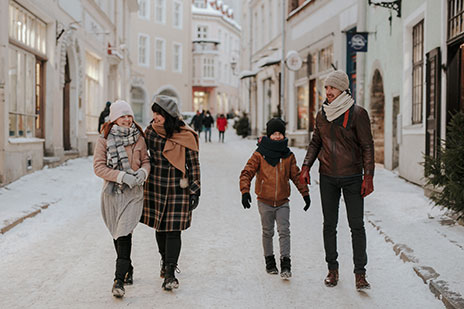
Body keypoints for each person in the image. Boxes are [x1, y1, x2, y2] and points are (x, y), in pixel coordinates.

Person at [299, 70, 374, 290]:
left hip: (352, 176)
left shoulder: (358, 113)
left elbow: (368, 146)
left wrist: (368, 176)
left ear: (342, 88)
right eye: (326, 88)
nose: (328, 91)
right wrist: (306, 165)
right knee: (329, 225)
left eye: (332, 87)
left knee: (356, 226)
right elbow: (316, 142)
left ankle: (360, 274)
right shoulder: (322, 114)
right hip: (328, 176)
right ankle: (332, 269)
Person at [141, 95, 201, 291]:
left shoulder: (186, 135)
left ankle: (170, 273)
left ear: (168, 115)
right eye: (154, 113)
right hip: (156, 185)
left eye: (159, 113)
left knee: (174, 230)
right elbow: (140, 154)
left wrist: (195, 190)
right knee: (160, 228)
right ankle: (164, 260)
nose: (155, 117)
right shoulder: (150, 132)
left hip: (178, 188)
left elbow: (193, 164)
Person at [239, 118, 311, 279]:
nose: (278, 137)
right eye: (274, 134)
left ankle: (286, 263)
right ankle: (269, 261)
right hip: (264, 200)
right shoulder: (259, 154)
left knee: (284, 231)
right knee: (267, 232)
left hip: (283, 201)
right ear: (269, 135)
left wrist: (305, 194)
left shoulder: (288, 155)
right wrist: (245, 191)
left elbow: (296, 175)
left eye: (280, 134)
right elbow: (247, 172)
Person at [93, 100, 150, 298]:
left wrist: (143, 172)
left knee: (125, 233)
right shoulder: (104, 139)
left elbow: (146, 161)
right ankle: (128, 267)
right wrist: (121, 176)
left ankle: (118, 280)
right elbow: (98, 167)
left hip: (133, 193)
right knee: (117, 234)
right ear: (114, 118)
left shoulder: (139, 138)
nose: (127, 120)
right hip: (112, 193)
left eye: (129, 116)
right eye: (122, 116)